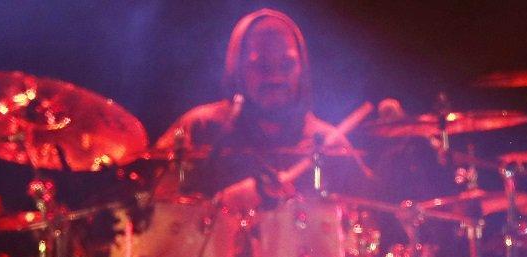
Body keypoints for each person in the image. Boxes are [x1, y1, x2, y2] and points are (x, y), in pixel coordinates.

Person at [150, 8, 373, 210]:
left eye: (286, 65)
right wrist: (219, 205)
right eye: (261, 66)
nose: (275, 77)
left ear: (301, 69)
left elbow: (369, 215)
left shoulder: (328, 141)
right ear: (236, 69)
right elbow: (151, 207)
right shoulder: (199, 128)